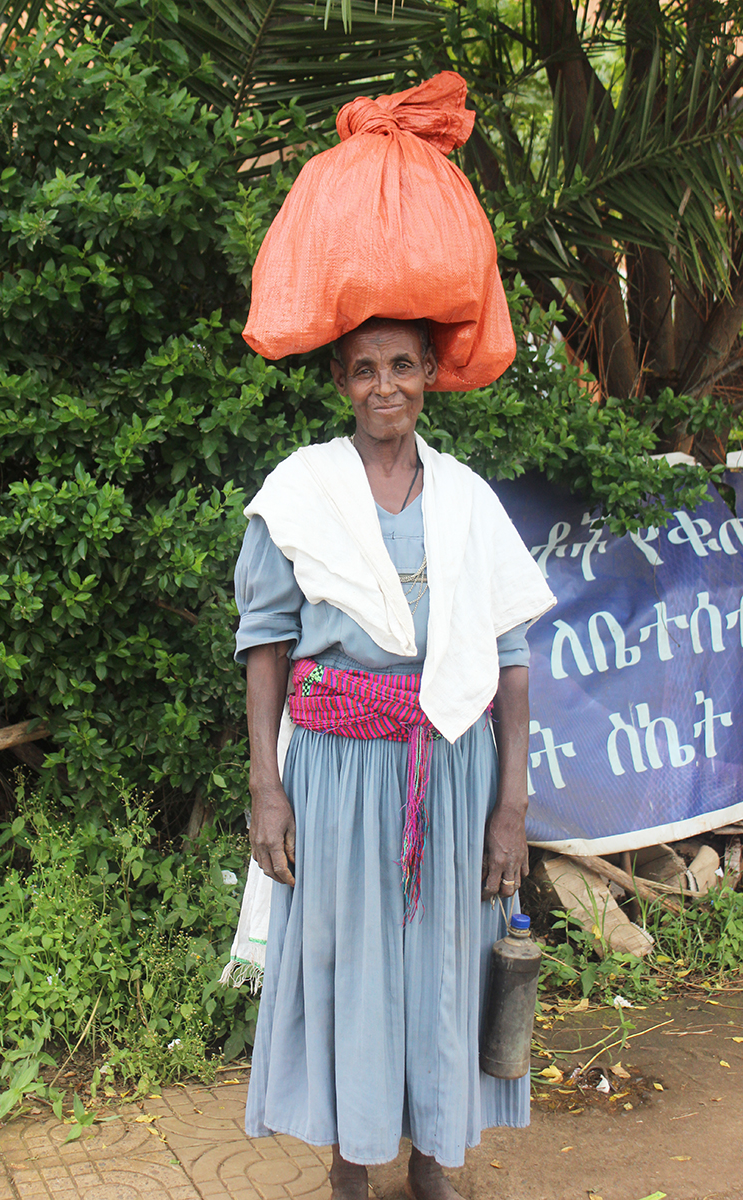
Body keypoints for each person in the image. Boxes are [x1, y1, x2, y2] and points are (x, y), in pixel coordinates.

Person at [233, 316, 555, 1200]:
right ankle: (351, 1156)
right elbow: (265, 644)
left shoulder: (468, 501)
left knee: (447, 960)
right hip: (336, 771)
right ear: (342, 380)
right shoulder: (300, 494)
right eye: (365, 369)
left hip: (451, 769)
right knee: (349, 960)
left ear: (430, 376)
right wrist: (268, 786)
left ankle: (431, 1158)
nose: (386, 386)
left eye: (403, 366)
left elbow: (512, 658)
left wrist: (511, 806)